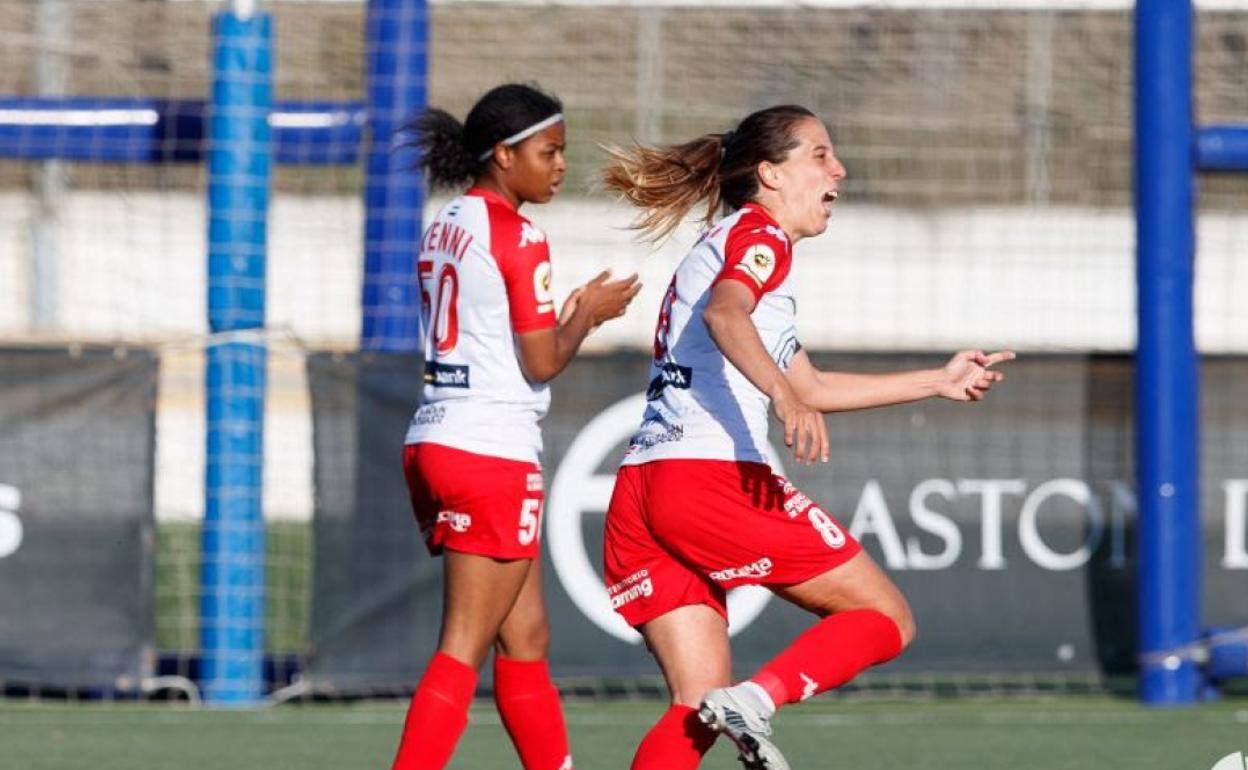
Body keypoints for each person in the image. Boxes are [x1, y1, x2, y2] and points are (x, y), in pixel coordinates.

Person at [599, 105, 1013, 770]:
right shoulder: (760, 236)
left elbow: (811, 386)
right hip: (710, 479)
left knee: (694, 704)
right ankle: (757, 701)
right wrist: (780, 393)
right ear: (770, 174)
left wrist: (937, 381)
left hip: (644, 489)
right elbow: (726, 314)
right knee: (886, 617)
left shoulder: (731, 243)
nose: (838, 170)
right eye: (820, 155)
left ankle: (737, 703)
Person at [391, 83, 641, 770]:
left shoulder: (446, 222)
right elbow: (542, 360)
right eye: (548, 152)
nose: (560, 166)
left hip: (437, 436)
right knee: (462, 647)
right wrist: (586, 314)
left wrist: (570, 315)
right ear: (503, 154)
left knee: (526, 636)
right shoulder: (518, 233)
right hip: (489, 450)